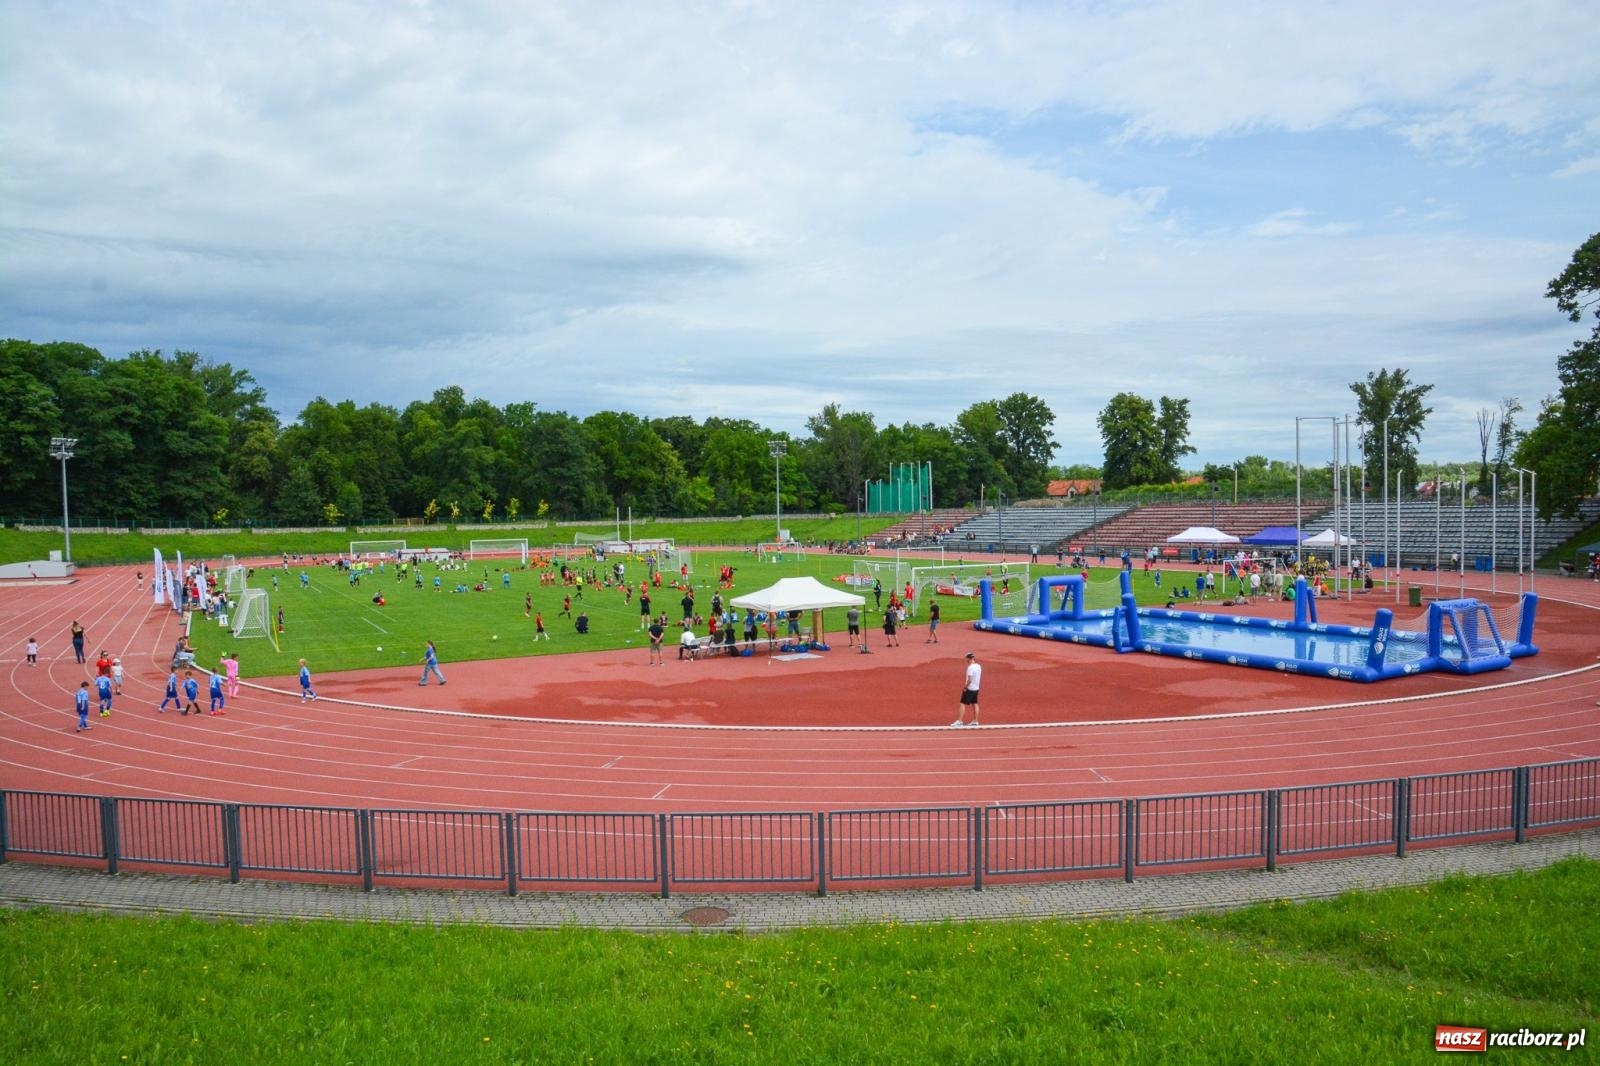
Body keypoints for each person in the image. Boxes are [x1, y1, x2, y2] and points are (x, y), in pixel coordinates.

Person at [953, 652, 981, 726]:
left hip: (970, 688)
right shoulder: (978, 666)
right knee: (975, 703)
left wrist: (965, 687)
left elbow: (970, 679)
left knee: (962, 703)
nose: (966, 660)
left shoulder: (970, 667)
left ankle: (960, 721)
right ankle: (975, 721)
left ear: (969, 658)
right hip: (976, 688)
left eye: (967, 658)